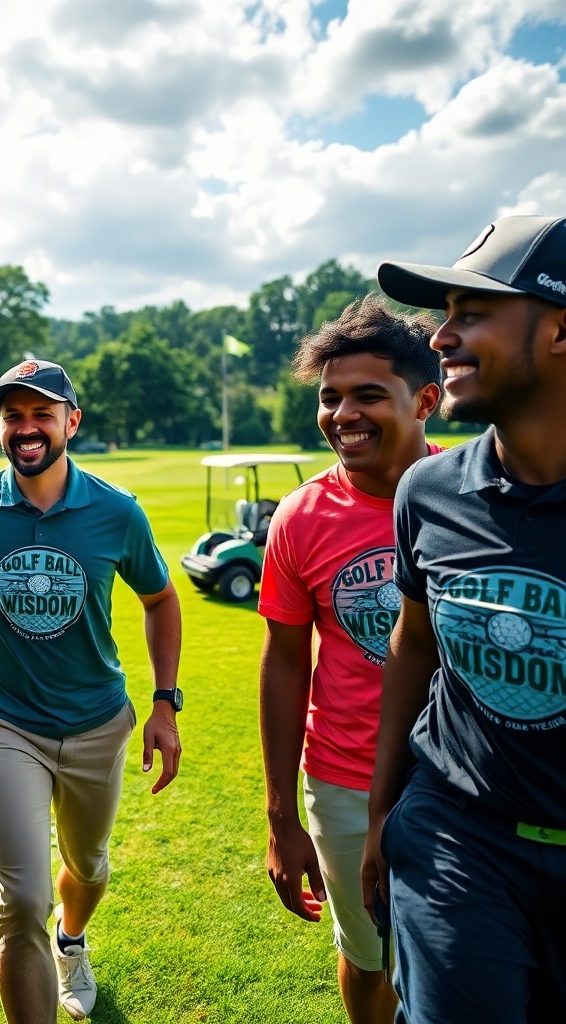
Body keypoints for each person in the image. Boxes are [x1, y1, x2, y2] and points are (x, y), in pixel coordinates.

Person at [361, 214, 566, 1024]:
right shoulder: (430, 492)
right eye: (446, 313)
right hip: (460, 841)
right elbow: (413, 645)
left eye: (472, 312)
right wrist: (385, 813)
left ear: (560, 330)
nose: (440, 338)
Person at [0, 359, 182, 1024]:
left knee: (87, 866)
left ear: (70, 422)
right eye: (12, 415)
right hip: (7, 725)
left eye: (41, 414)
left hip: (97, 724)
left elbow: (161, 599)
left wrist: (165, 701)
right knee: (20, 898)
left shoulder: (116, 512)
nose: (26, 428)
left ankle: (72, 938)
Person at [258, 294, 442, 1024]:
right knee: (367, 953)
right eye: (330, 398)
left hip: (456, 773)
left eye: (369, 395)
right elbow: (282, 663)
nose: (343, 415)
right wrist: (279, 815)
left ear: (426, 399)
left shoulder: (470, 494)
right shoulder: (302, 514)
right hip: (340, 776)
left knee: (452, 954)